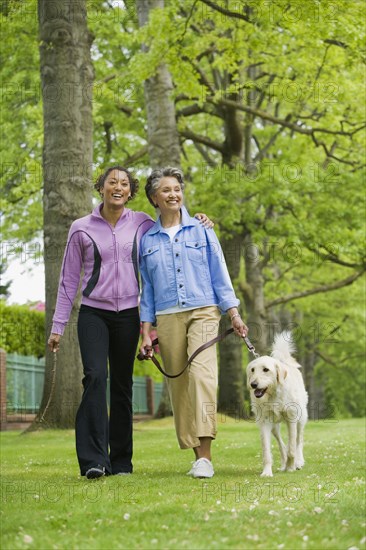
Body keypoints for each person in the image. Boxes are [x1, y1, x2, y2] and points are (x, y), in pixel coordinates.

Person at [47, 165, 212, 479]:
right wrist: (57, 326)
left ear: (131, 192)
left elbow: (172, 224)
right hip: (94, 314)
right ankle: (94, 460)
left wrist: (199, 219)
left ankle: (121, 462)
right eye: (112, 182)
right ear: (102, 188)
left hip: (128, 317)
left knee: (122, 386)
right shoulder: (81, 227)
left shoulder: (142, 223)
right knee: (95, 378)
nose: (118, 187)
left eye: (124, 183)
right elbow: (69, 281)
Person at [139, 167, 248, 479]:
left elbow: (219, 271)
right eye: (166, 190)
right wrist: (146, 333)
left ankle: (205, 458)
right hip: (167, 315)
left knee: (202, 377)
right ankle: (194, 453)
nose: (174, 194)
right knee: (180, 384)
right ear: (154, 198)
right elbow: (146, 290)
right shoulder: (146, 240)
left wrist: (234, 312)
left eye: (177, 188)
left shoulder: (202, 229)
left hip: (203, 310)